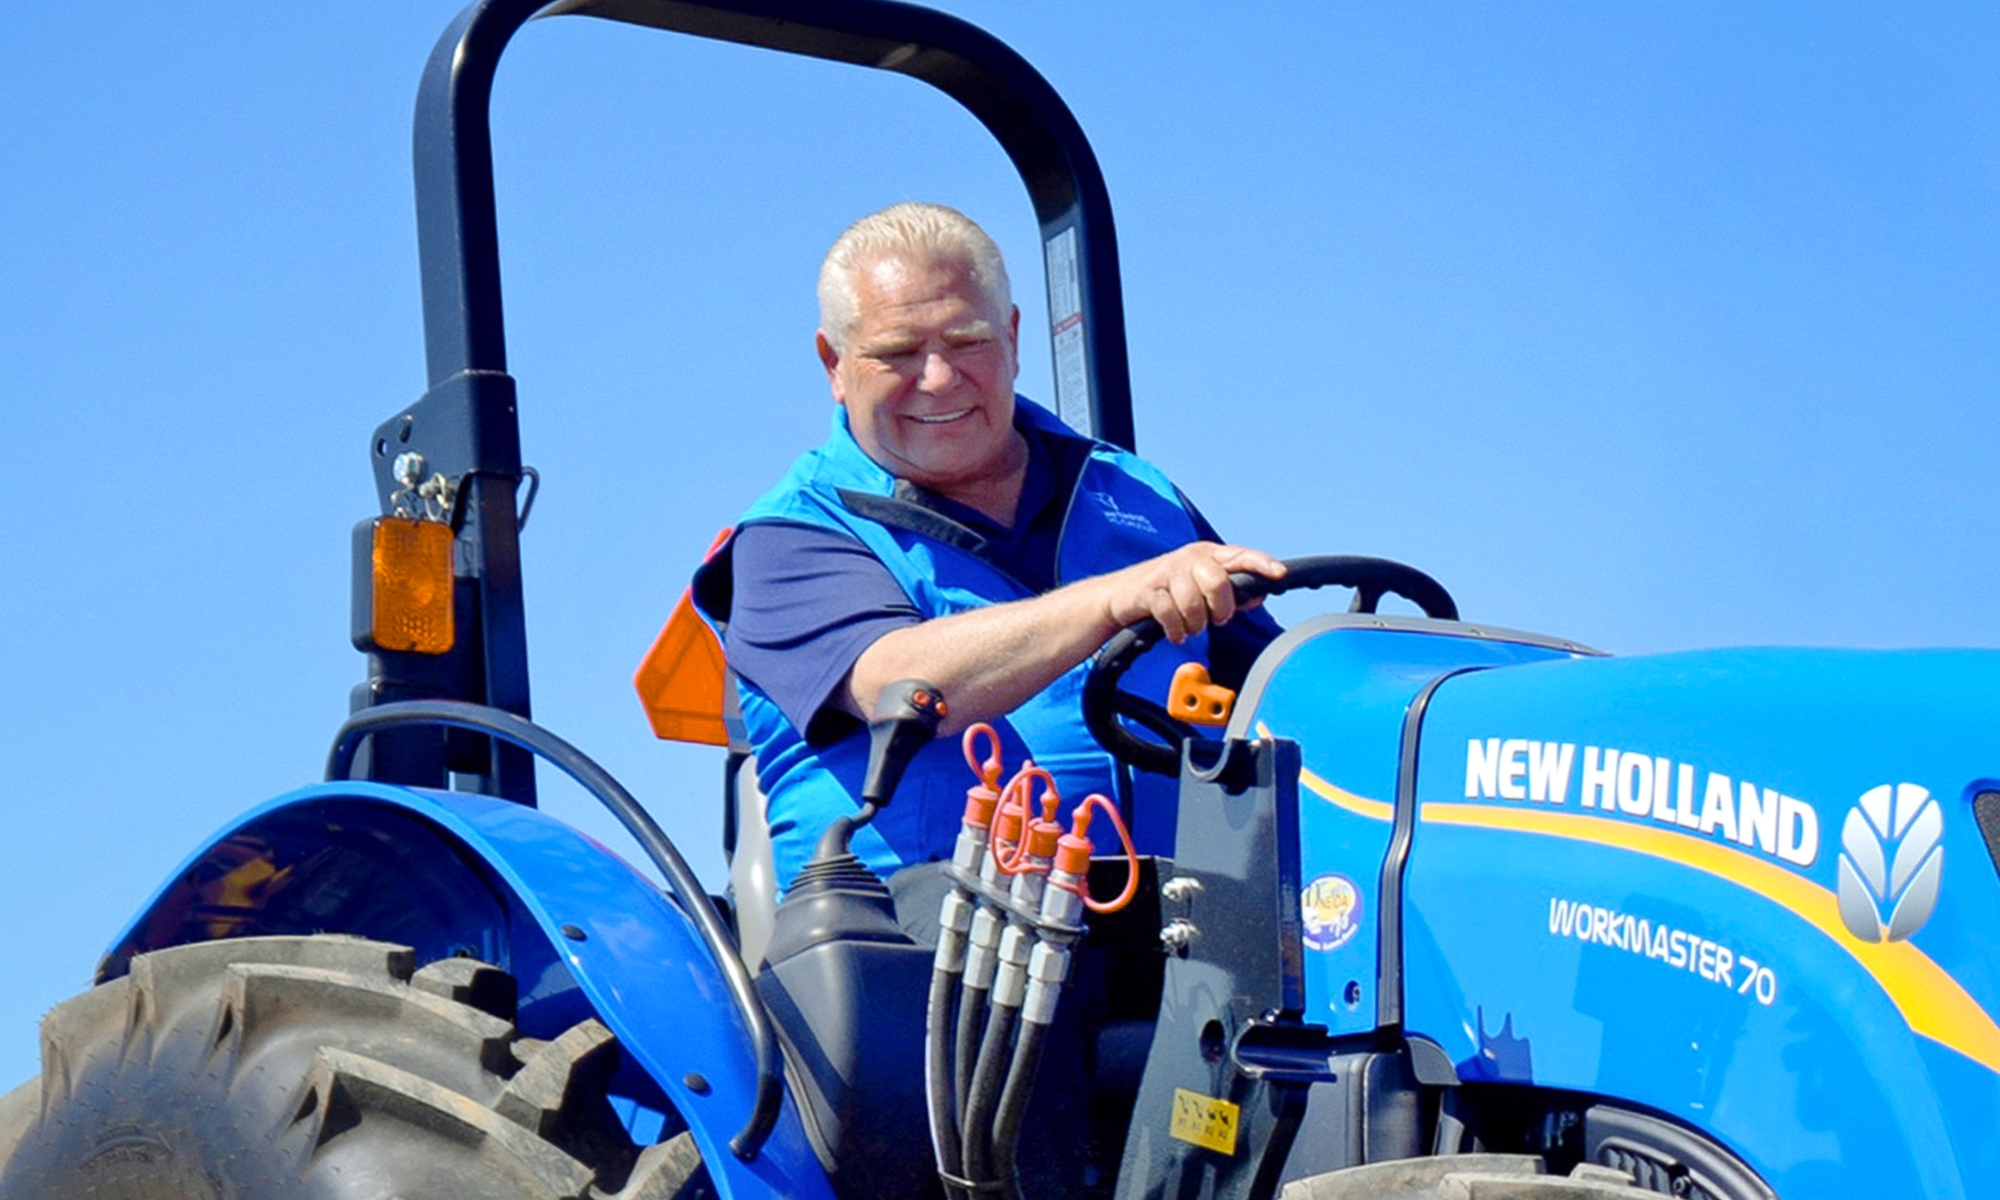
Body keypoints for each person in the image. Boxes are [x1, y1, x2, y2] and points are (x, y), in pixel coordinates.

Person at [694, 202, 1283, 894]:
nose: (939, 379)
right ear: (834, 362)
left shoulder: (1138, 495)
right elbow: (904, 685)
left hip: (1184, 943)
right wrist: (1113, 598)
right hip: (915, 958)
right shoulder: (791, 539)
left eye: (967, 341)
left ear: (1012, 335)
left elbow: (1279, 691)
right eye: (897, 353)